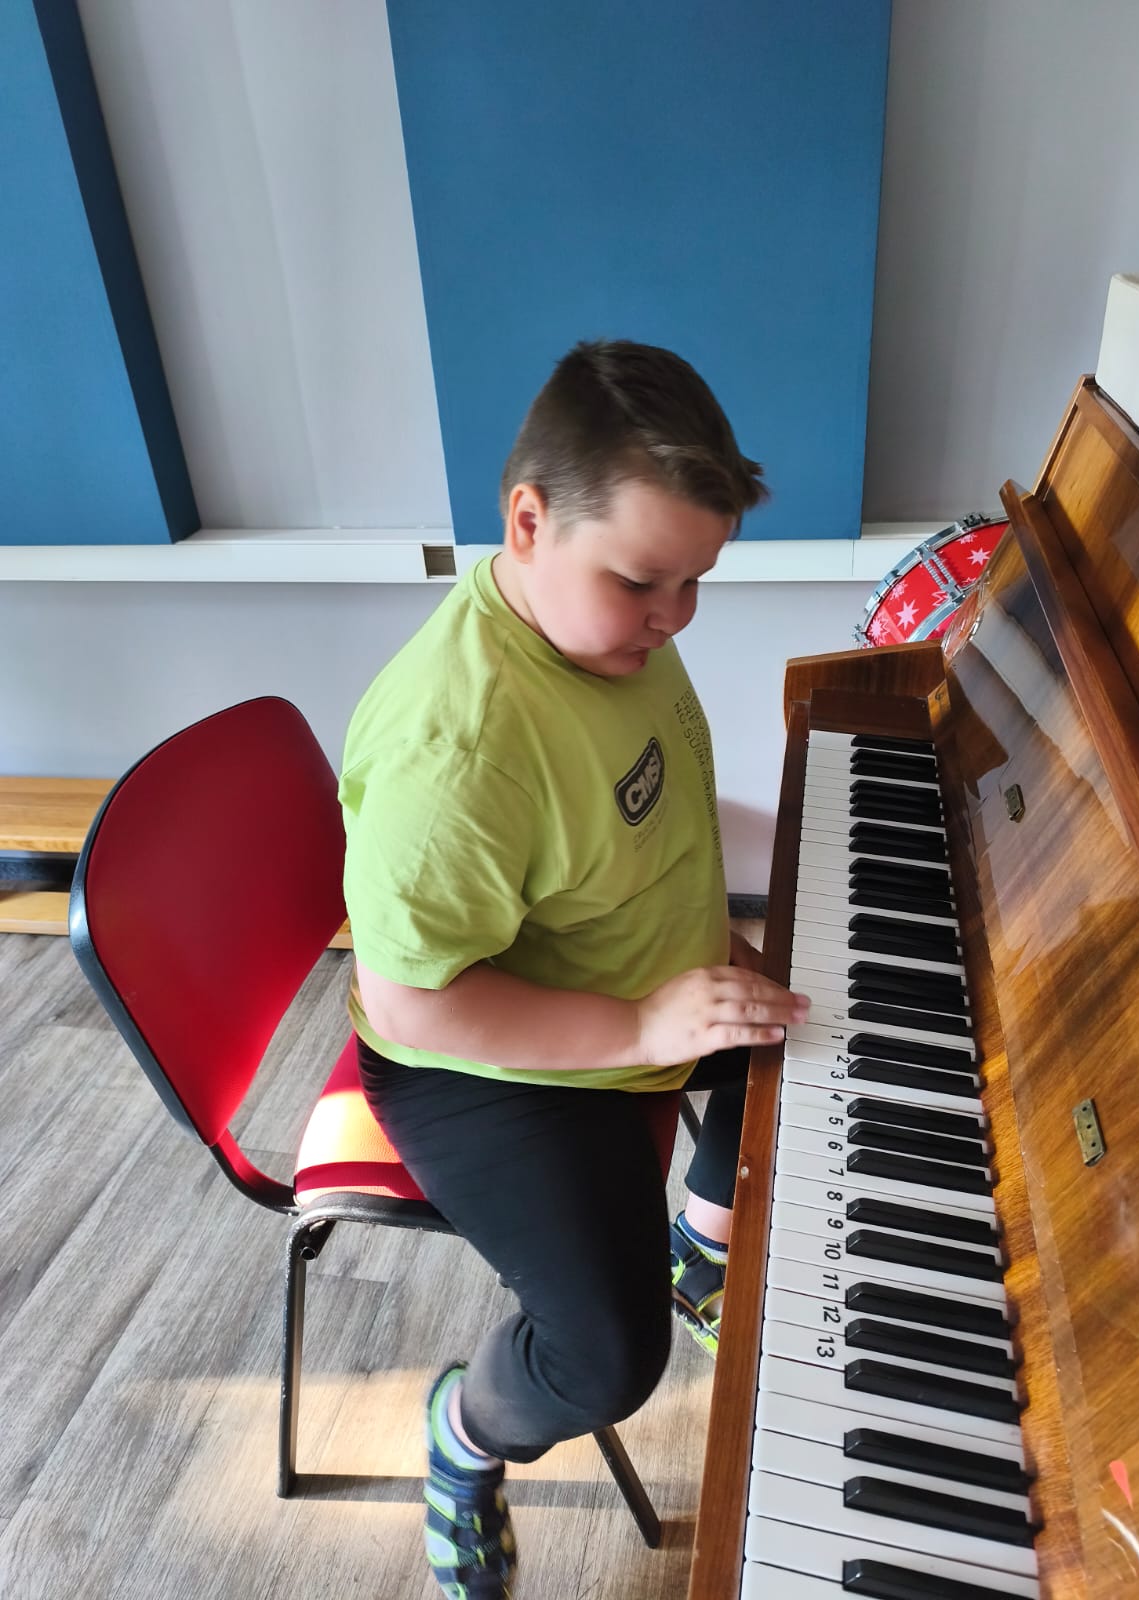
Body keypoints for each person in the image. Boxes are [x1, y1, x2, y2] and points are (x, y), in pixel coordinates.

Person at [339, 339, 809, 1598]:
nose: (674, 617)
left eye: (697, 581)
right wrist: (646, 1026)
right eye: (644, 581)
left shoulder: (609, 633)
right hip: (479, 1061)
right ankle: (464, 1432)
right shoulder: (460, 751)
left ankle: (700, 1248)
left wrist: (699, 975)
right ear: (528, 522)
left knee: (814, 1021)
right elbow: (412, 999)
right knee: (606, 1360)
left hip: (633, 986)